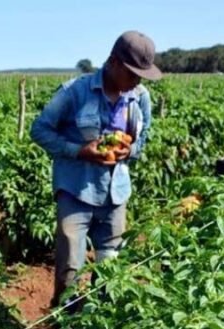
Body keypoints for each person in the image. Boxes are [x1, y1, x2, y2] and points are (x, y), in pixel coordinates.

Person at [30, 30, 162, 308]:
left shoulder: (140, 97)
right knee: (70, 268)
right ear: (113, 62)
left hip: (116, 195)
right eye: (132, 73)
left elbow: (145, 133)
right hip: (76, 191)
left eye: (141, 75)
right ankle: (66, 326)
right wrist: (79, 151)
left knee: (110, 268)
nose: (137, 80)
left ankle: (100, 327)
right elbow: (39, 129)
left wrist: (132, 149)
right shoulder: (74, 92)